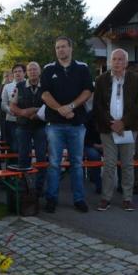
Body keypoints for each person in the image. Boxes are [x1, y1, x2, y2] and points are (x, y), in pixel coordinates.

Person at [40, 36, 94, 213]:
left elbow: (87, 91)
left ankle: (79, 199)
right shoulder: (48, 69)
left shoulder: (82, 68)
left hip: (77, 124)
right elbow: (45, 94)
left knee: (77, 163)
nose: (60, 50)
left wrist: (71, 106)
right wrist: (60, 109)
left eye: (63, 47)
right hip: (55, 125)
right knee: (54, 163)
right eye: (57, 48)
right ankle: (51, 199)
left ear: (71, 48)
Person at [93, 49, 138, 211]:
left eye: (120, 59)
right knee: (109, 164)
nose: (117, 62)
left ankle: (127, 198)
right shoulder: (101, 80)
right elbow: (98, 106)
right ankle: (106, 198)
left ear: (126, 63)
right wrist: (112, 123)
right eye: (114, 59)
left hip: (128, 129)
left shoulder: (135, 79)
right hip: (108, 129)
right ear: (110, 62)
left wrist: (123, 123)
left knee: (128, 164)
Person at [10, 62, 47, 198]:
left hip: (40, 127)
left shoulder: (46, 86)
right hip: (23, 126)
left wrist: (36, 111)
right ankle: (24, 187)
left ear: (39, 71)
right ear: (26, 72)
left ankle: (39, 188)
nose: (32, 72)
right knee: (23, 157)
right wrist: (24, 112)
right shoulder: (19, 86)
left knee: (41, 157)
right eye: (30, 70)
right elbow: (12, 106)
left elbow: (50, 105)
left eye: (35, 69)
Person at [1, 63, 26, 165]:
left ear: (24, 73)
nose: (17, 73)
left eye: (20, 71)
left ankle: (25, 171)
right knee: (13, 148)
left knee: (25, 147)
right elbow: (3, 104)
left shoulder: (30, 85)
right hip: (12, 121)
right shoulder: (7, 87)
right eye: (15, 72)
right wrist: (11, 110)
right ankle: (11, 173)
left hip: (26, 121)